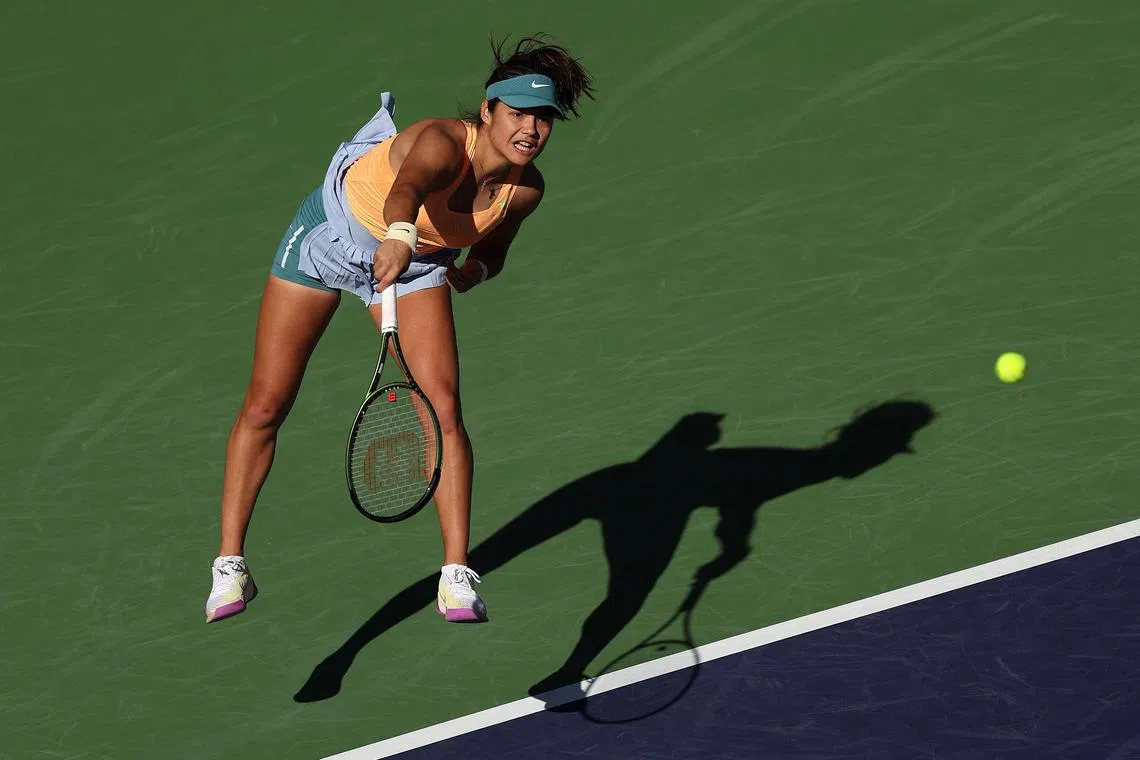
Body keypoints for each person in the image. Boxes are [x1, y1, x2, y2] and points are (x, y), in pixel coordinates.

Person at [205, 35, 594, 624]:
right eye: (517, 114)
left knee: (441, 408)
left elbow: (497, 246)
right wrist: (399, 235)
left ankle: (456, 575)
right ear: (487, 111)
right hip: (331, 244)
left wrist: (477, 269)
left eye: (543, 120)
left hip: (414, 266)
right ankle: (230, 564)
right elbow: (408, 189)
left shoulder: (524, 189)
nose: (530, 130)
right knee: (267, 402)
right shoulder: (440, 141)